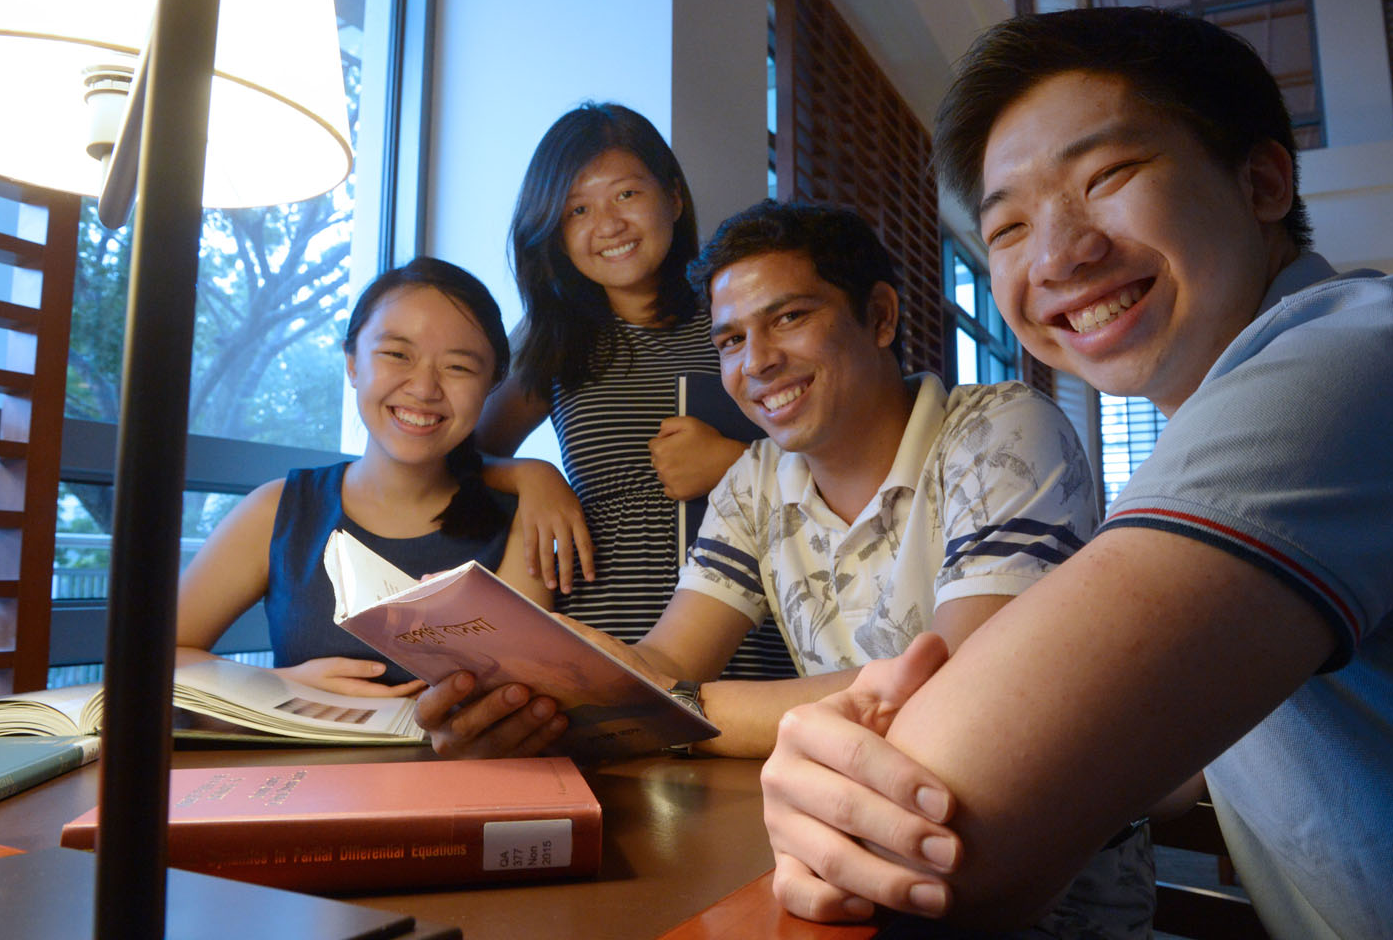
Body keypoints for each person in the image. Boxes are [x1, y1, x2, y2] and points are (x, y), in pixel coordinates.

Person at [759, 6, 1393, 938]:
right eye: (1006, 229)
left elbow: (946, 832)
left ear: (1262, 180)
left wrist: (893, 770)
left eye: (1108, 176)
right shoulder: (1216, 424)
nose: (1058, 255)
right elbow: (1194, 759)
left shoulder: (1357, 359)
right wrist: (882, 747)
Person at [420, 199, 1156, 938]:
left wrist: (668, 706)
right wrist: (551, 694)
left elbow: (960, 692)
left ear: (878, 316)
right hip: (845, 865)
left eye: (789, 318)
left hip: (1031, 892)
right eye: (731, 338)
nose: (757, 362)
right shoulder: (758, 478)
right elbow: (669, 656)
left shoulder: (1004, 430)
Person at [176, 258, 559, 757]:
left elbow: (519, 701)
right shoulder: (279, 510)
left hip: (460, 799)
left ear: (492, 385)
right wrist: (281, 688)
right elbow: (155, 657)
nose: (424, 388)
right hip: (302, 797)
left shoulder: (522, 520)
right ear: (353, 363)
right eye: (397, 354)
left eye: (459, 366)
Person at [473, 102, 796, 686]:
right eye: (577, 209)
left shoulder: (735, 315)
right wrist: (532, 477)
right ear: (554, 230)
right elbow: (462, 461)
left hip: (753, 635)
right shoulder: (553, 337)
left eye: (625, 195)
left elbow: (845, 453)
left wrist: (737, 464)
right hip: (603, 633)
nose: (608, 224)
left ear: (672, 197)